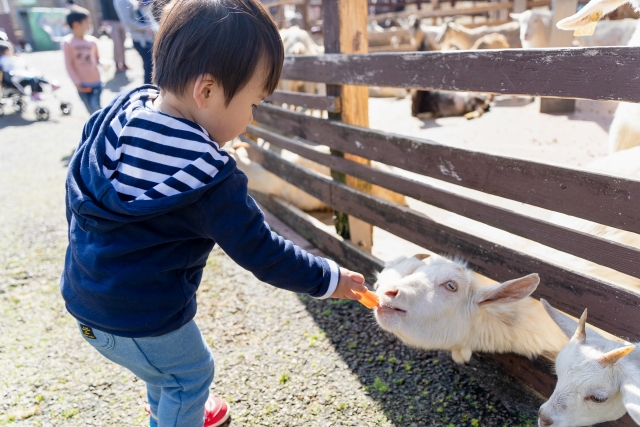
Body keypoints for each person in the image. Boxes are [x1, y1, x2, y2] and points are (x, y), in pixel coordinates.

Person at [61, 0, 368, 426]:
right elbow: (264, 253)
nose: (251, 119)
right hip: (145, 318)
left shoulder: (115, 116)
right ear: (206, 92)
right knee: (191, 374)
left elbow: (74, 196)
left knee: (164, 373)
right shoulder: (209, 178)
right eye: (253, 104)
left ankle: (167, 407)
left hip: (84, 299)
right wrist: (329, 279)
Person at [62, 7, 102, 114]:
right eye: (86, 23)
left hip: (96, 82)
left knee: (96, 108)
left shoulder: (92, 41)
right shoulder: (68, 43)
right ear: (76, 25)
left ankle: (102, 130)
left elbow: (97, 59)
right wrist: (76, 82)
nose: (89, 25)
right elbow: (69, 65)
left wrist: (104, 64)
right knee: (91, 110)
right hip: (82, 84)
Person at [113, 0, 156, 84]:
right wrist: (144, 28)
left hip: (147, 36)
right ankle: (147, 90)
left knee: (151, 65)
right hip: (140, 38)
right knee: (149, 66)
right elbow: (127, 21)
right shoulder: (120, 2)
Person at [99, 0, 128, 72]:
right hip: (112, 21)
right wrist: (105, 21)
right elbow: (103, 8)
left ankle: (124, 63)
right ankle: (117, 63)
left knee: (123, 42)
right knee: (117, 43)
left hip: (122, 20)